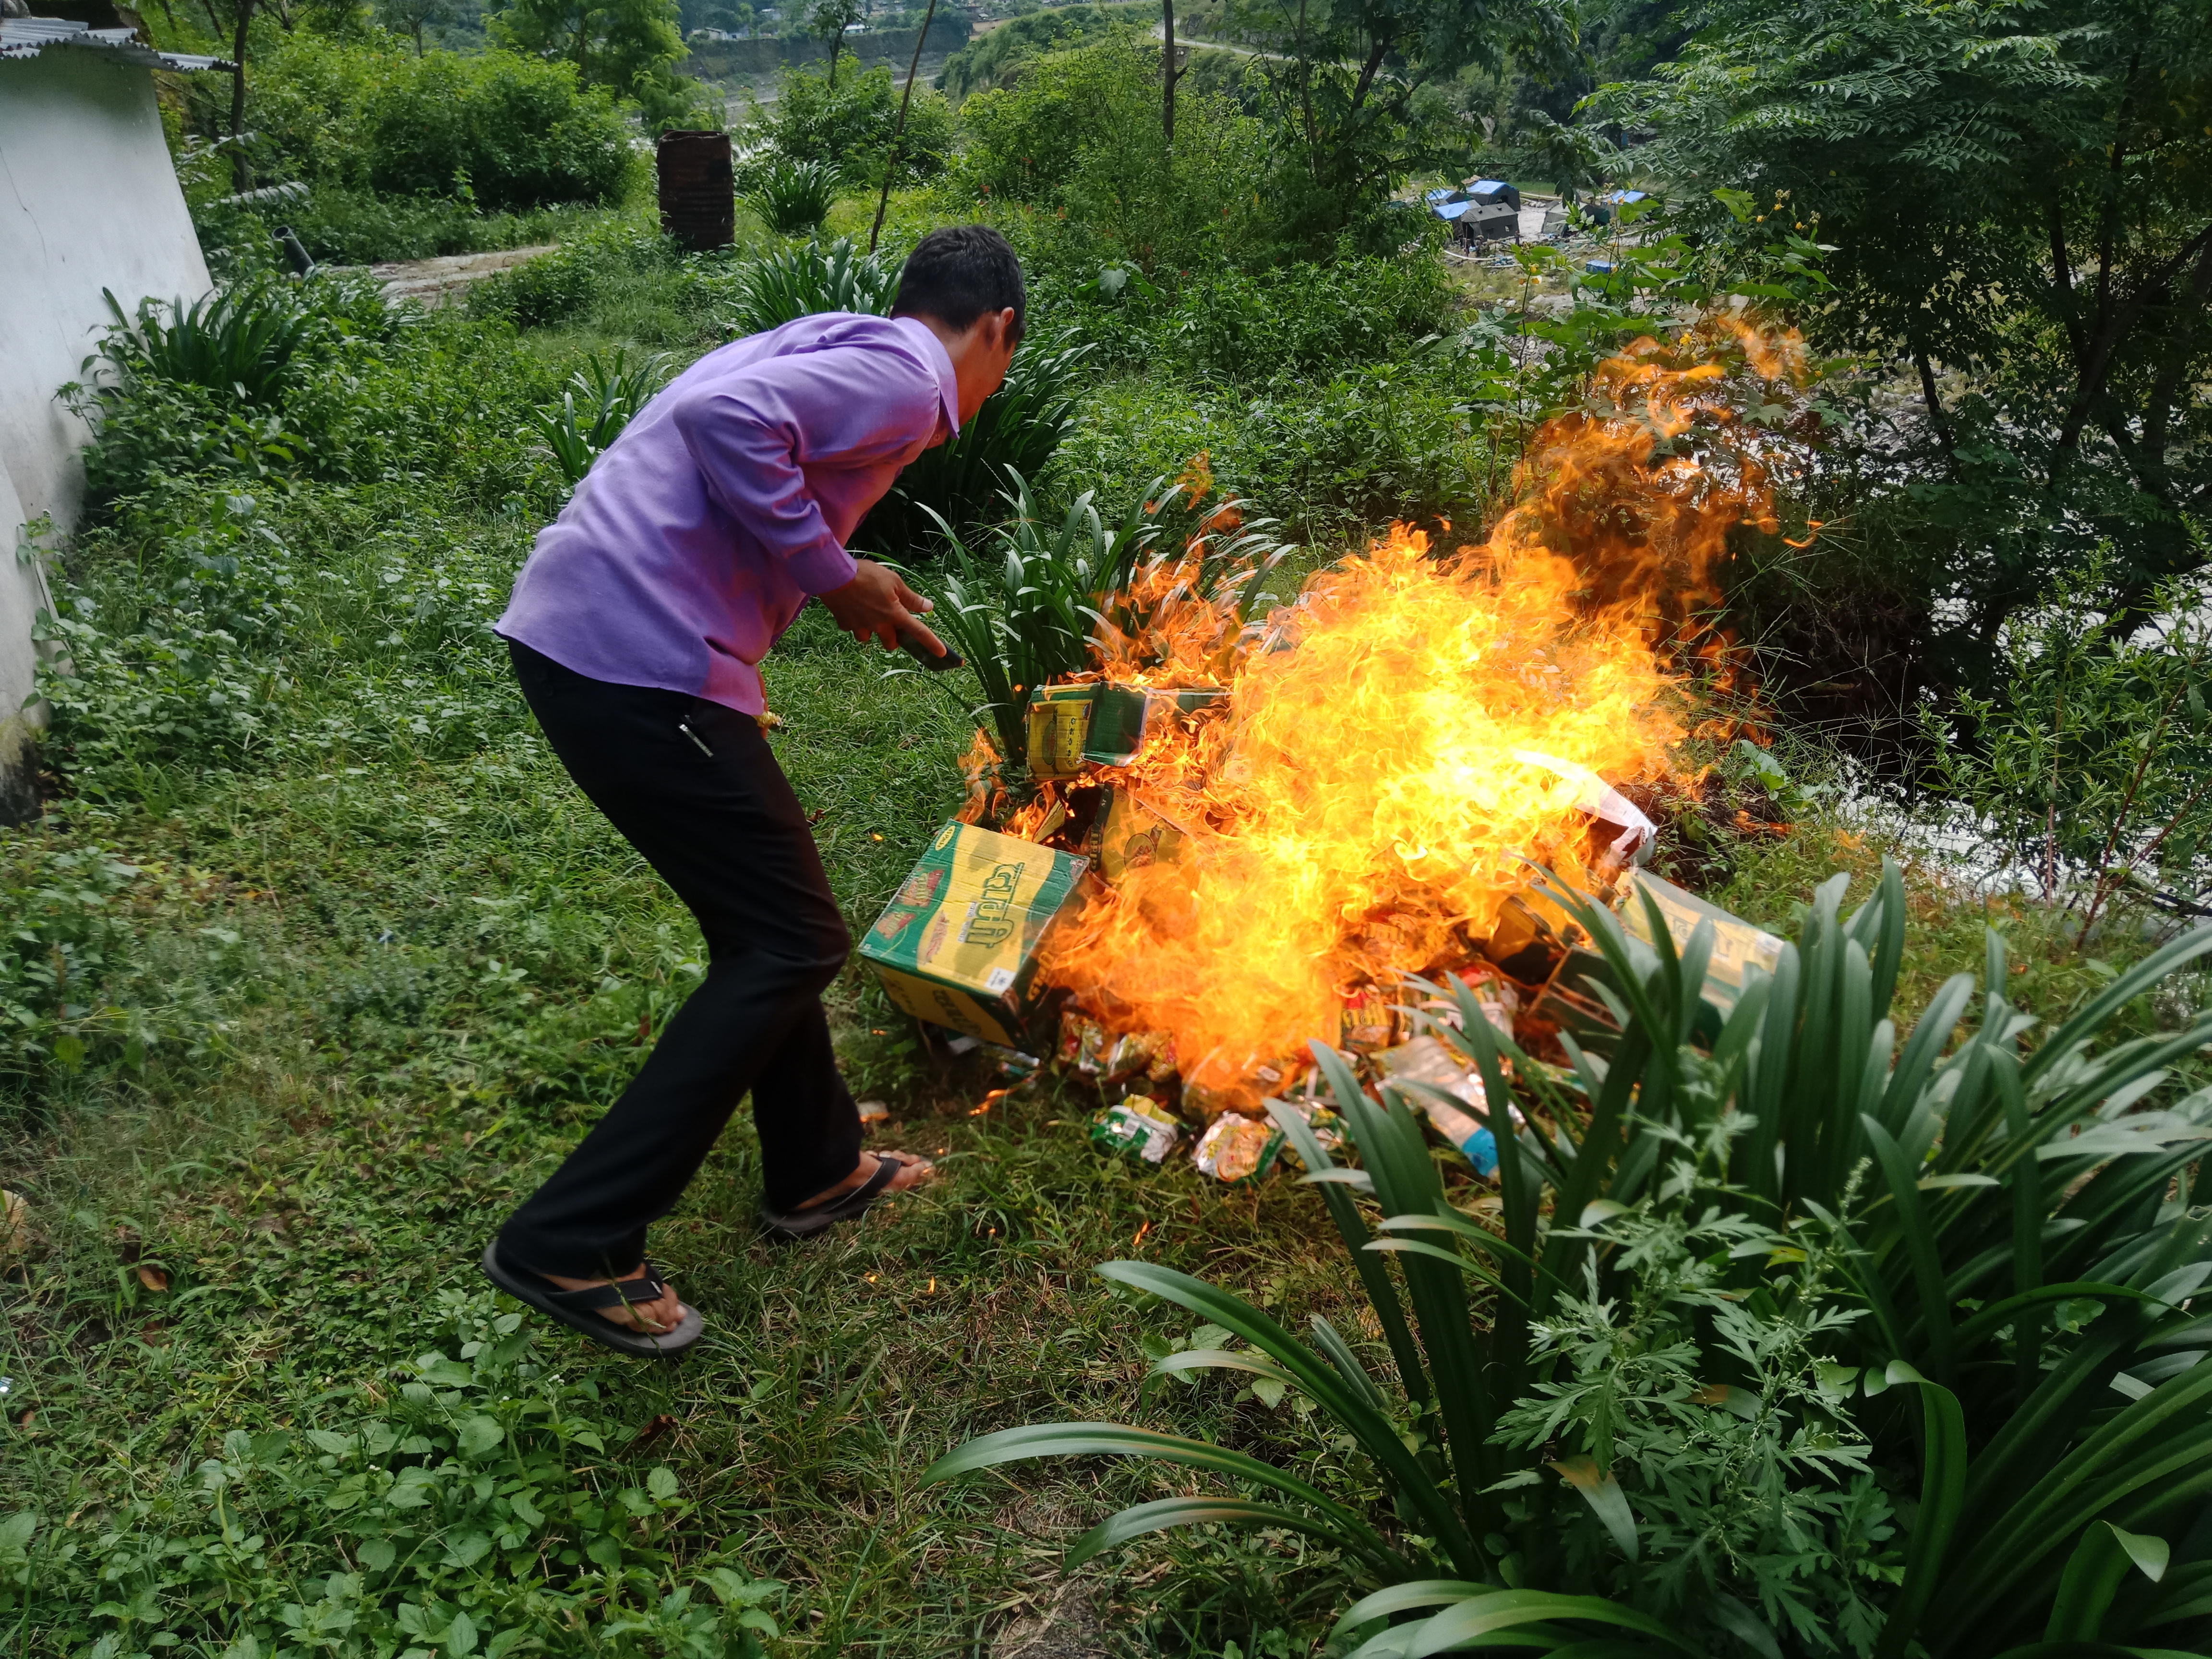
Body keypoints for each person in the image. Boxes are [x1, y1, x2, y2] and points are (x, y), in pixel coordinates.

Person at [479, 225, 1025, 1358]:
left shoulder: (841, 338)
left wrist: (736, 651)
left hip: (620, 646)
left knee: (773, 925)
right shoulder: (910, 376)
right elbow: (719, 425)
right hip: (629, 657)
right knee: (786, 939)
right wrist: (838, 580)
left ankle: (817, 1168)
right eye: (1006, 357)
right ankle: (571, 1238)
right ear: (997, 331)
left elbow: (724, 439)